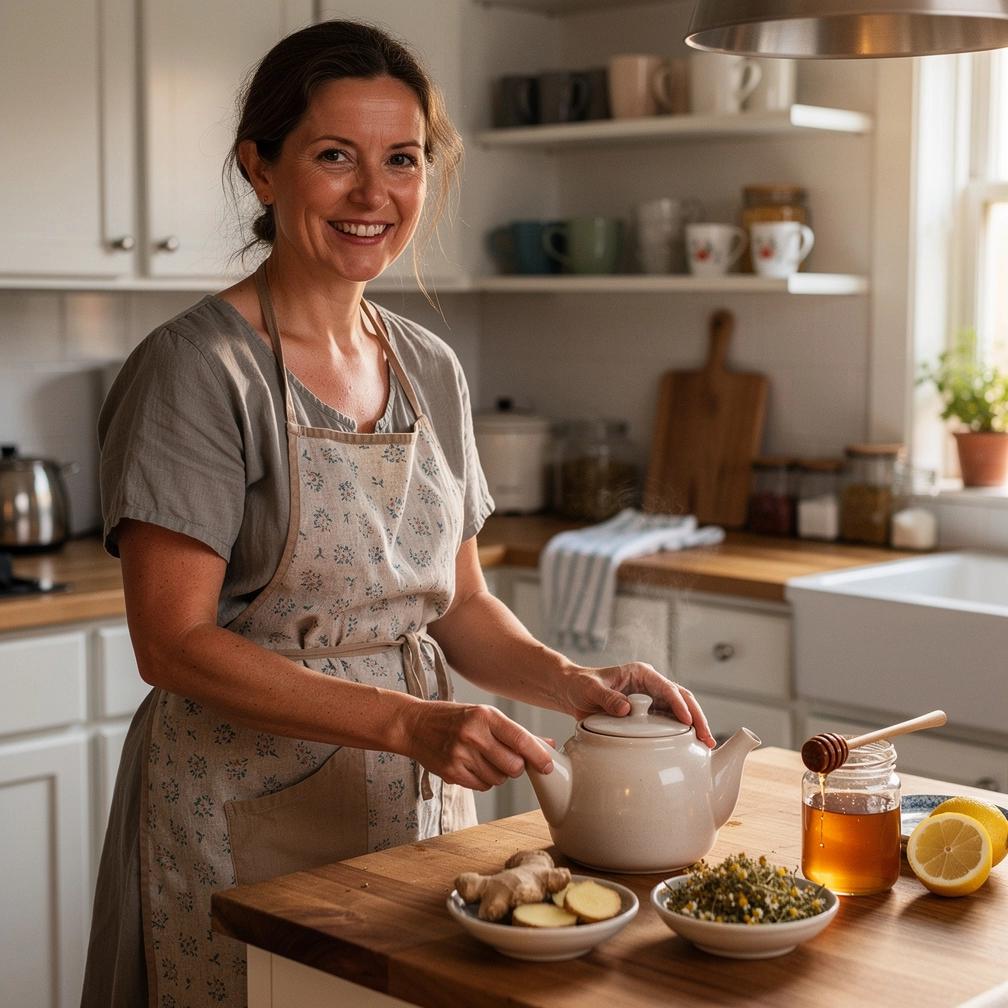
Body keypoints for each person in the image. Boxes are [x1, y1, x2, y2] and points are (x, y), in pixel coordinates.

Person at [81, 19, 715, 1008]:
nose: (373, 193)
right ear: (261, 168)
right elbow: (173, 645)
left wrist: (573, 683)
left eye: (403, 159)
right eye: (335, 156)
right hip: (240, 808)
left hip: (419, 806)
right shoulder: (196, 370)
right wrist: (410, 722)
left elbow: (460, 607)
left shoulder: (430, 367)